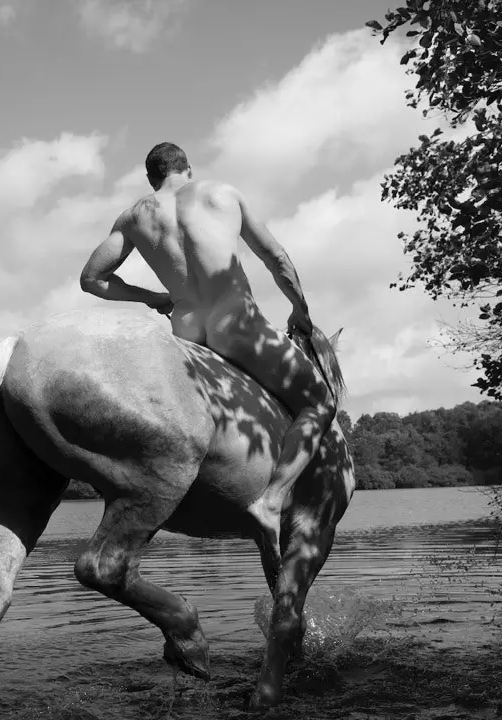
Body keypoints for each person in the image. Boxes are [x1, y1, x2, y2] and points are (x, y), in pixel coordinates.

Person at [79, 142, 345, 523]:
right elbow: (277, 259)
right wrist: (299, 309)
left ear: (152, 178)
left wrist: (153, 296)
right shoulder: (222, 194)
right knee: (319, 402)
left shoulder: (133, 217)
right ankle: (273, 499)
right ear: (187, 169)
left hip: (185, 330)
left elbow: (92, 279)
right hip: (236, 323)